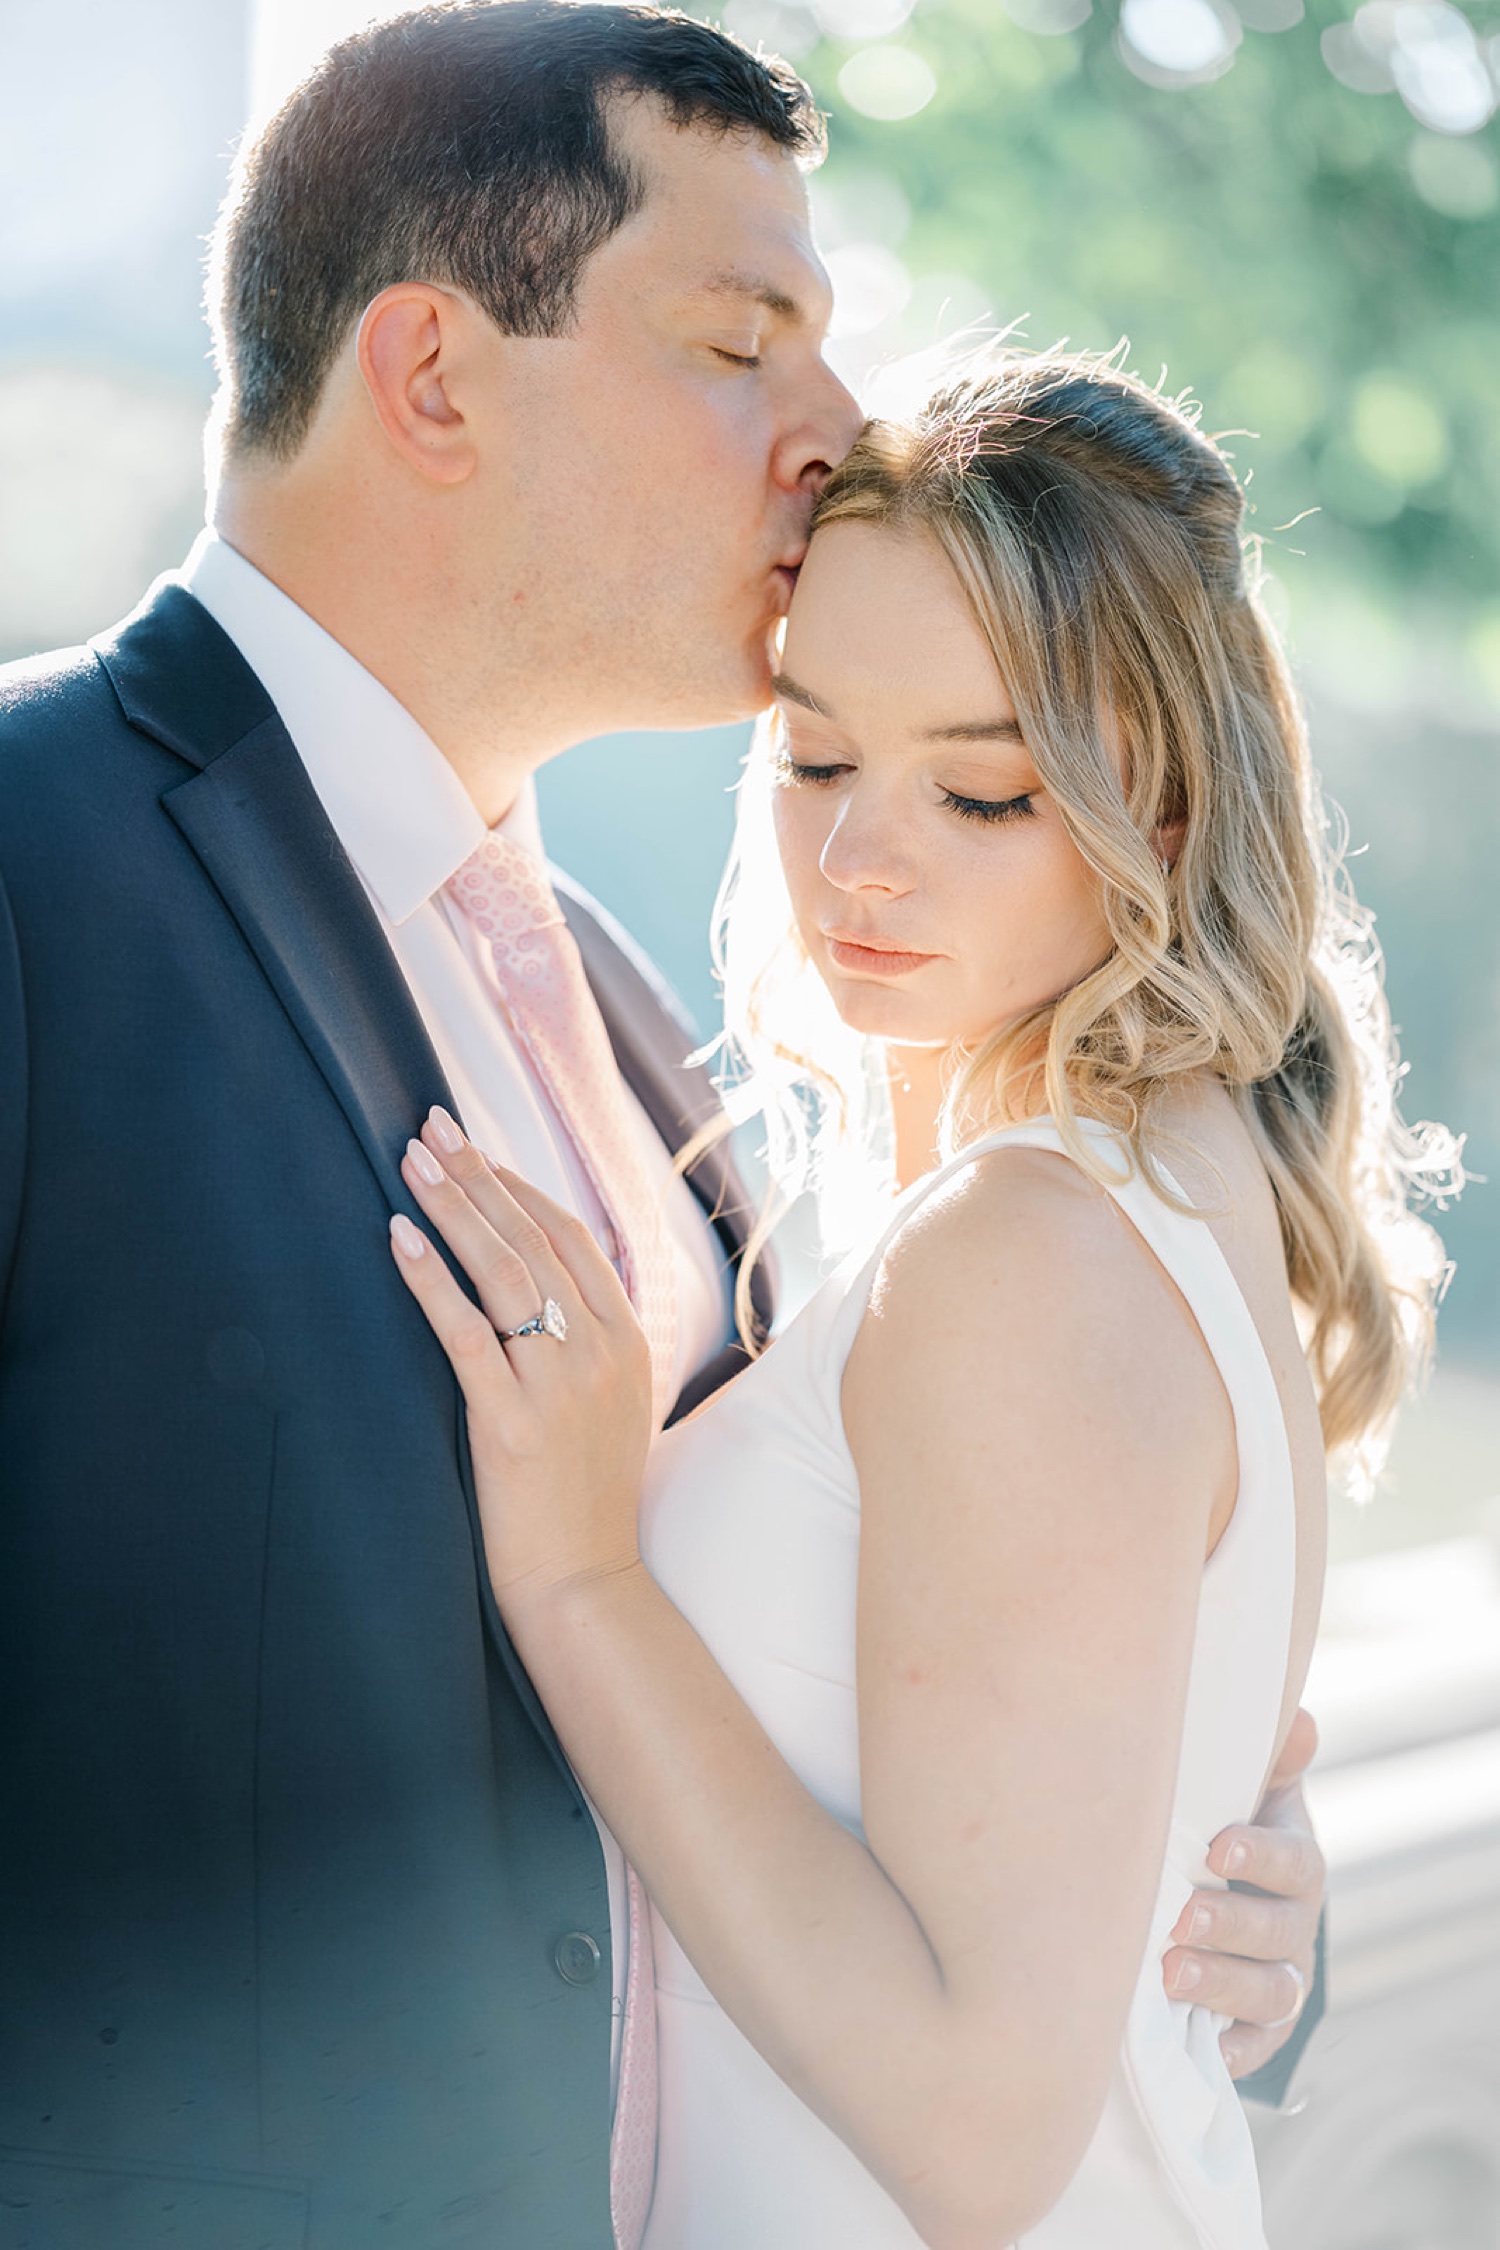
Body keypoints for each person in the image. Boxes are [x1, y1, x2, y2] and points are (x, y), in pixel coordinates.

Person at [0, 5, 1323, 2244]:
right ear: (430, 375)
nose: (836, 429)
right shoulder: (28, 878)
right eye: (745, 345)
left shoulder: (633, 1011)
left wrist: (1211, 1931)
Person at [387, 351, 1456, 2247]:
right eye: (811, 756)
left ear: (1173, 805)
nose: (856, 859)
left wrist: (582, 1581)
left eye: (979, 791)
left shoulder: (1025, 1253)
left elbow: (977, 2136)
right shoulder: (1175, 1179)